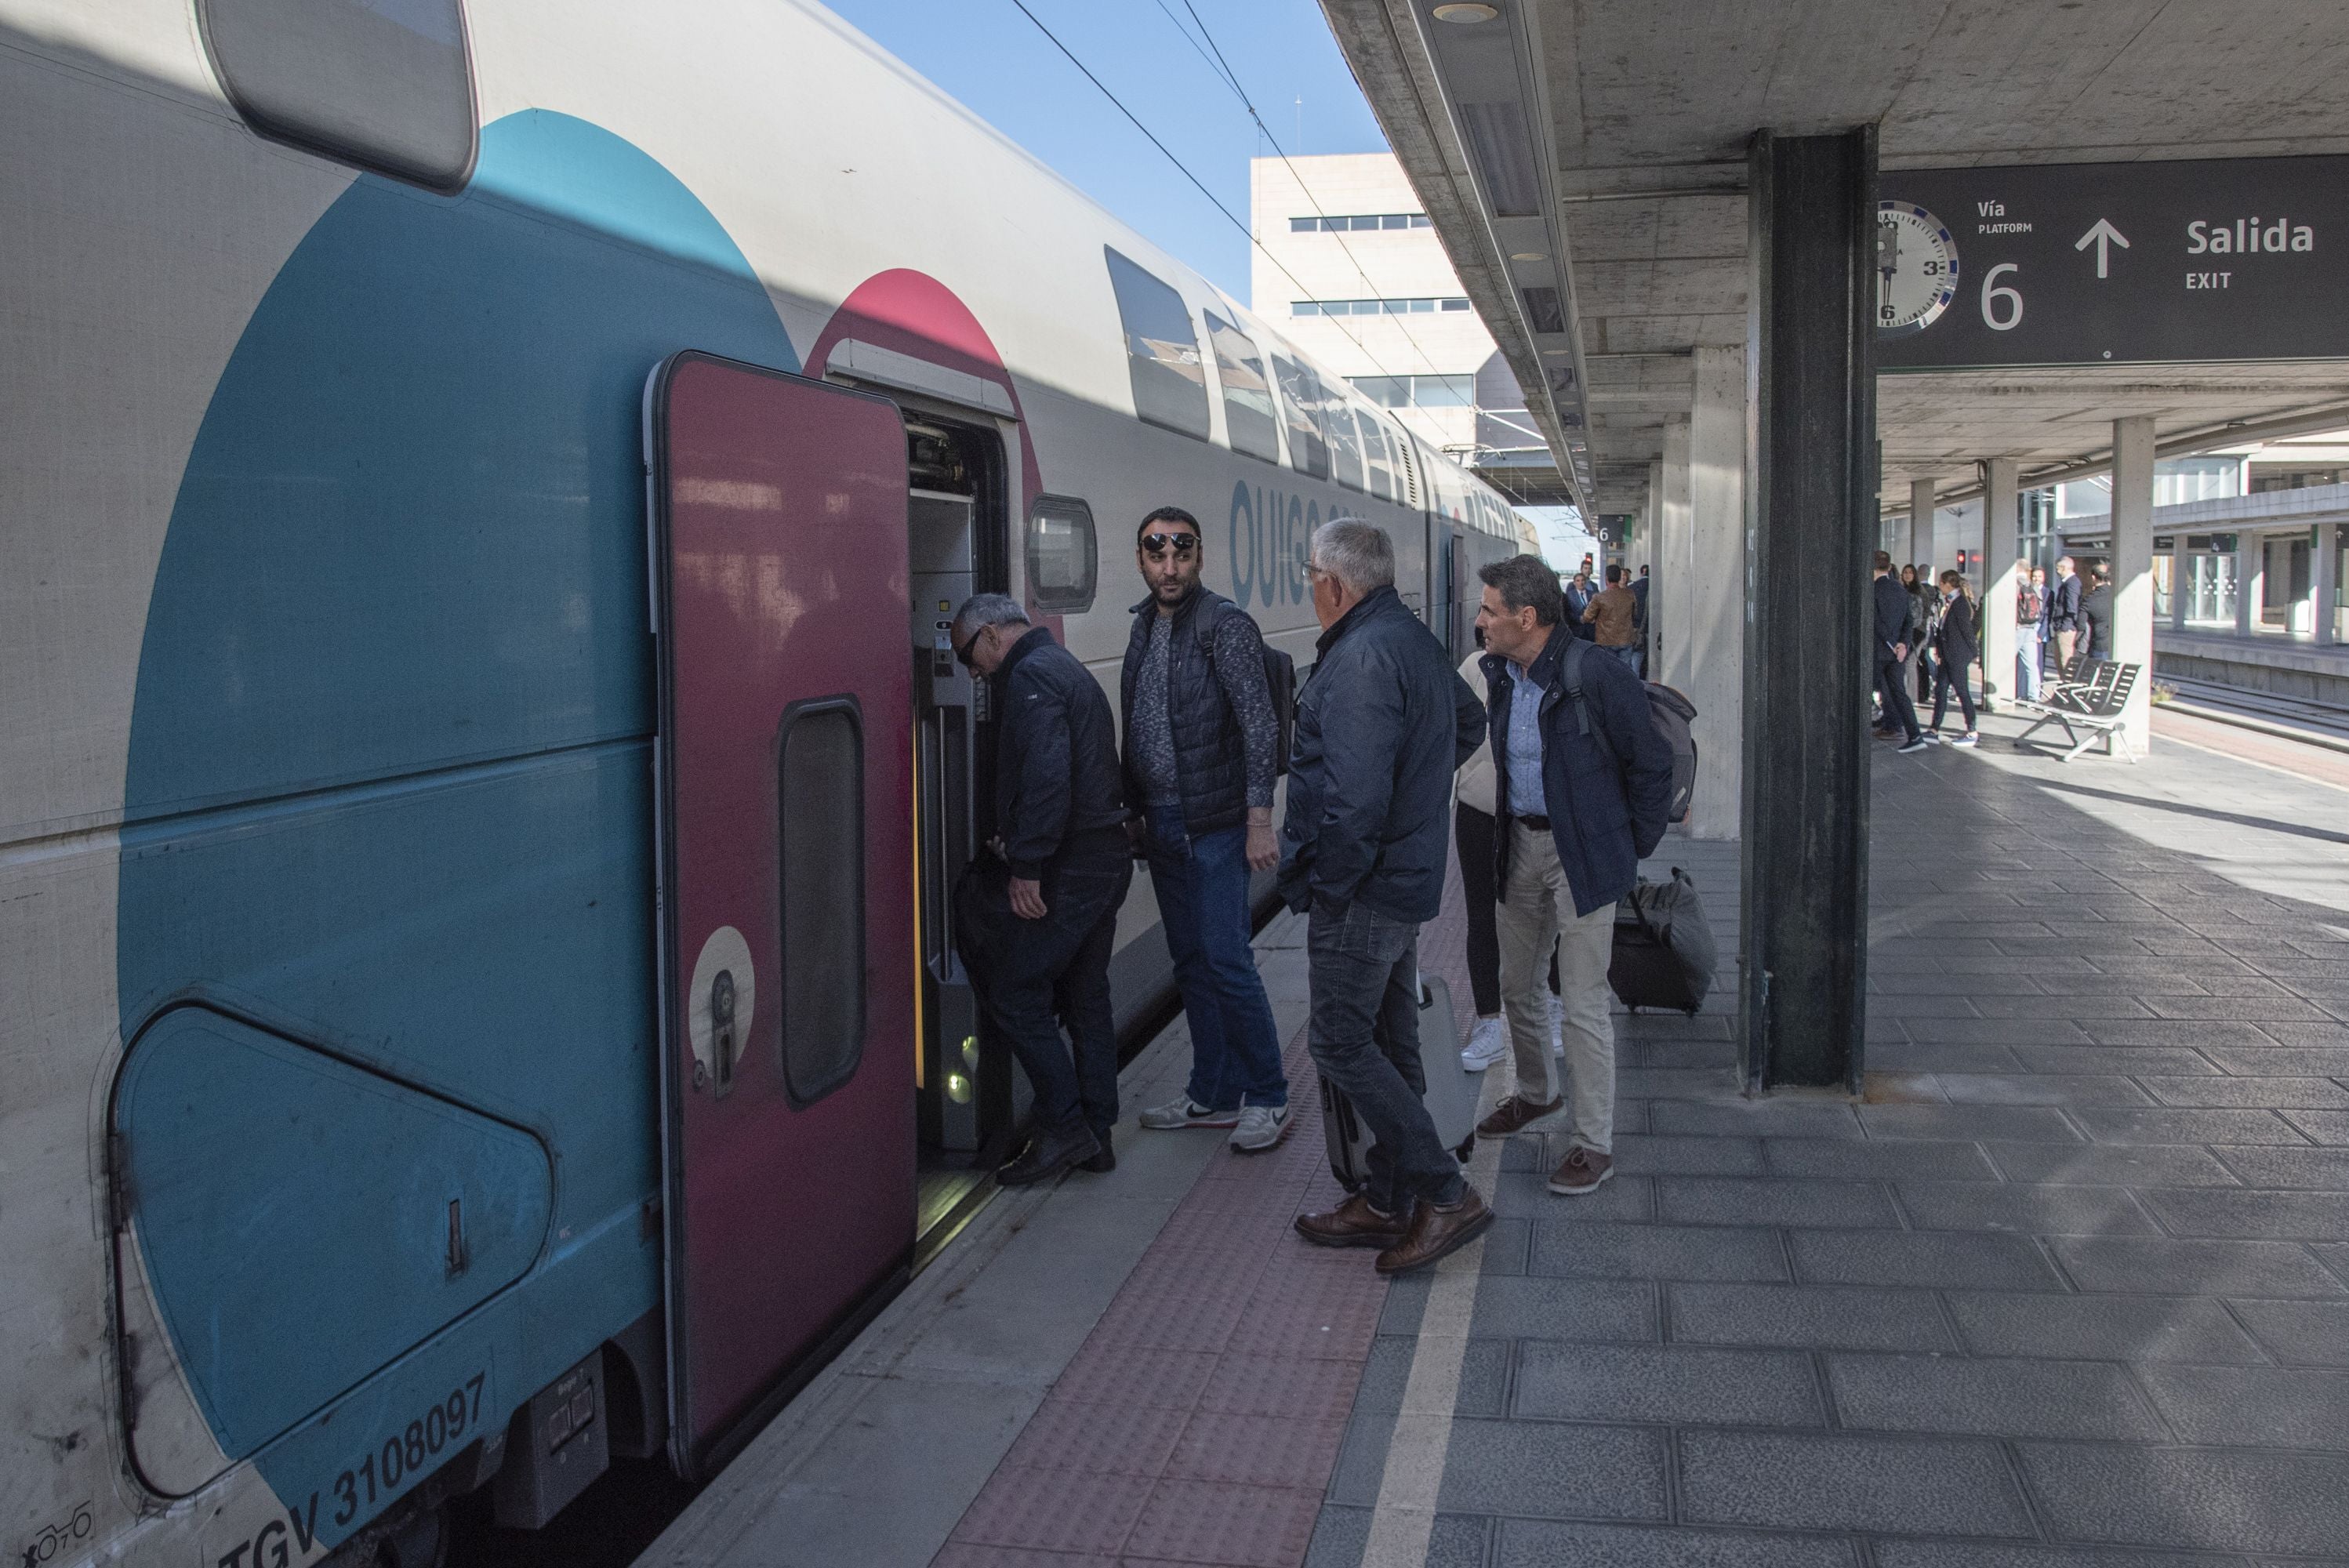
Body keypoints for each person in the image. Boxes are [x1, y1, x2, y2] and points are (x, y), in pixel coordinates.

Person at [1287, 520, 1493, 1274]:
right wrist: (1418, 787)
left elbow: (1353, 805)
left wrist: (1330, 886)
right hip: (1403, 878)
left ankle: (1444, 1194)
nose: (1310, 588)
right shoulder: (1407, 639)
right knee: (1393, 1041)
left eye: (1311, 575)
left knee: (1339, 1042)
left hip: (1365, 890)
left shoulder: (1362, 657)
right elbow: (1467, 724)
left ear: (1335, 585)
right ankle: (1386, 1199)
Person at [1470, 554, 1674, 1196]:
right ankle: (1535, 1093)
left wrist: (1628, 848)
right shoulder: (1501, 674)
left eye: (1488, 611)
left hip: (1583, 852)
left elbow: (1651, 766)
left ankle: (1595, 1144)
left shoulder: (1596, 675)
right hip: (1520, 845)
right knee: (1517, 985)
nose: (1479, 621)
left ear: (1525, 618)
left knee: (1582, 1003)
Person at [1117, 506, 1291, 1152]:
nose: (1169, 567)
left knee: (1226, 960)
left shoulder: (1225, 627)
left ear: (1199, 557)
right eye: (1156, 554)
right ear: (1140, 559)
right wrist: (1133, 809)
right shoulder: (1141, 628)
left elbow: (1259, 727)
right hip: (1163, 822)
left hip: (1217, 825)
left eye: (1180, 554)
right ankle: (1213, 1092)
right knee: (1190, 962)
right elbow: (1136, 722)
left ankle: (1268, 1095)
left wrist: (1258, 821)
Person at [951, 593, 1134, 1185]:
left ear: (988, 636)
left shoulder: (1030, 676)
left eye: (968, 658)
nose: (974, 673)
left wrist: (1026, 864)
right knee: (1086, 995)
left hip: (1074, 868)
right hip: (1103, 858)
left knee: (1015, 992)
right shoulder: (1061, 665)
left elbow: (1049, 774)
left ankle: (1063, 1126)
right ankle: (1096, 1136)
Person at [1454, 644, 1560, 1073]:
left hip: (1544, 812)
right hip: (1480, 808)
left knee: (1550, 914)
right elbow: (1452, 725)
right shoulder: (1475, 667)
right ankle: (1489, 1024)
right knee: (1482, 915)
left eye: (1492, 610)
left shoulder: (1566, 665)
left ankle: (1552, 1005)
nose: (1483, 619)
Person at [1872, 553, 1929, 753]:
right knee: (1898, 694)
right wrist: (1902, 644)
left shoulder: (1873, 590)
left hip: (1879, 650)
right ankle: (1915, 735)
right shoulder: (1899, 589)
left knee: (1868, 689)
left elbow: (1876, 621)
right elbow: (1908, 620)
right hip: (1898, 653)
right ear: (1889, 568)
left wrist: (1889, 643)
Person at [1926, 569, 1980, 746]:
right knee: (1941, 690)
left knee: (1962, 692)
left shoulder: (1959, 604)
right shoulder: (1951, 603)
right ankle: (1934, 729)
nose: (1940, 587)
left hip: (1957, 656)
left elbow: (1966, 630)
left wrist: (1973, 651)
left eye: (1941, 584)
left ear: (1949, 584)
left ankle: (1972, 730)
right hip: (1948, 656)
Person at [1583, 563, 1642, 671]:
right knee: (1625, 672)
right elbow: (1635, 614)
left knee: (1608, 672)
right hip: (1626, 638)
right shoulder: (1630, 594)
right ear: (1620, 577)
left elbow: (1587, 616)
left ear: (1606, 578)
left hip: (1606, 640)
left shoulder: (1599, 597)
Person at [2015, 564, 2046, 702]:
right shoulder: (2033, 586)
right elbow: (2041, 607)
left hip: (2017, 628)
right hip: (2032, 628)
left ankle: (2004, 693)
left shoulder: (2014, 584)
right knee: (2032, 666)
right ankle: (2034, 695)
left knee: (2006, 662)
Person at [2049, 555, 2084, 672]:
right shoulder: (2069, 583)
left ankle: (2067, 688)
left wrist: (2065, 625)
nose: (2057, 572)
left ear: (2064, 568)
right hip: (2063, 626)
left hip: (2066, 628)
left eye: (2058, 568)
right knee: (2060, 661)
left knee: (2066, 662)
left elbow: (2072, 606)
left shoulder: (2072, 583)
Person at [2079, 564, 2115, 659]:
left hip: (2098, 644)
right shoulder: (2116, 595)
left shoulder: (2089, 600)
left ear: (2093, 577)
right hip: (2116, 644)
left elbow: (2080, 625)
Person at [1561, 568, 1596, 640]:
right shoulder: (1569, 596)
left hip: (1591, 630)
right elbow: (1568, 612)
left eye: (1583, 580)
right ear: (1574, 583)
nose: (1581, 583)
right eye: (1578, 581)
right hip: (1577, 630)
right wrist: (1579, 619)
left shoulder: (1593, 594)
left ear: (1586, 581)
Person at [1630, 564, 1651, 678]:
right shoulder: (1658, 586)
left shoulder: (1632, 588)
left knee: (1635, 665)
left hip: (1637, 631)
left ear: (1641, 573)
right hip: (1653, 630)